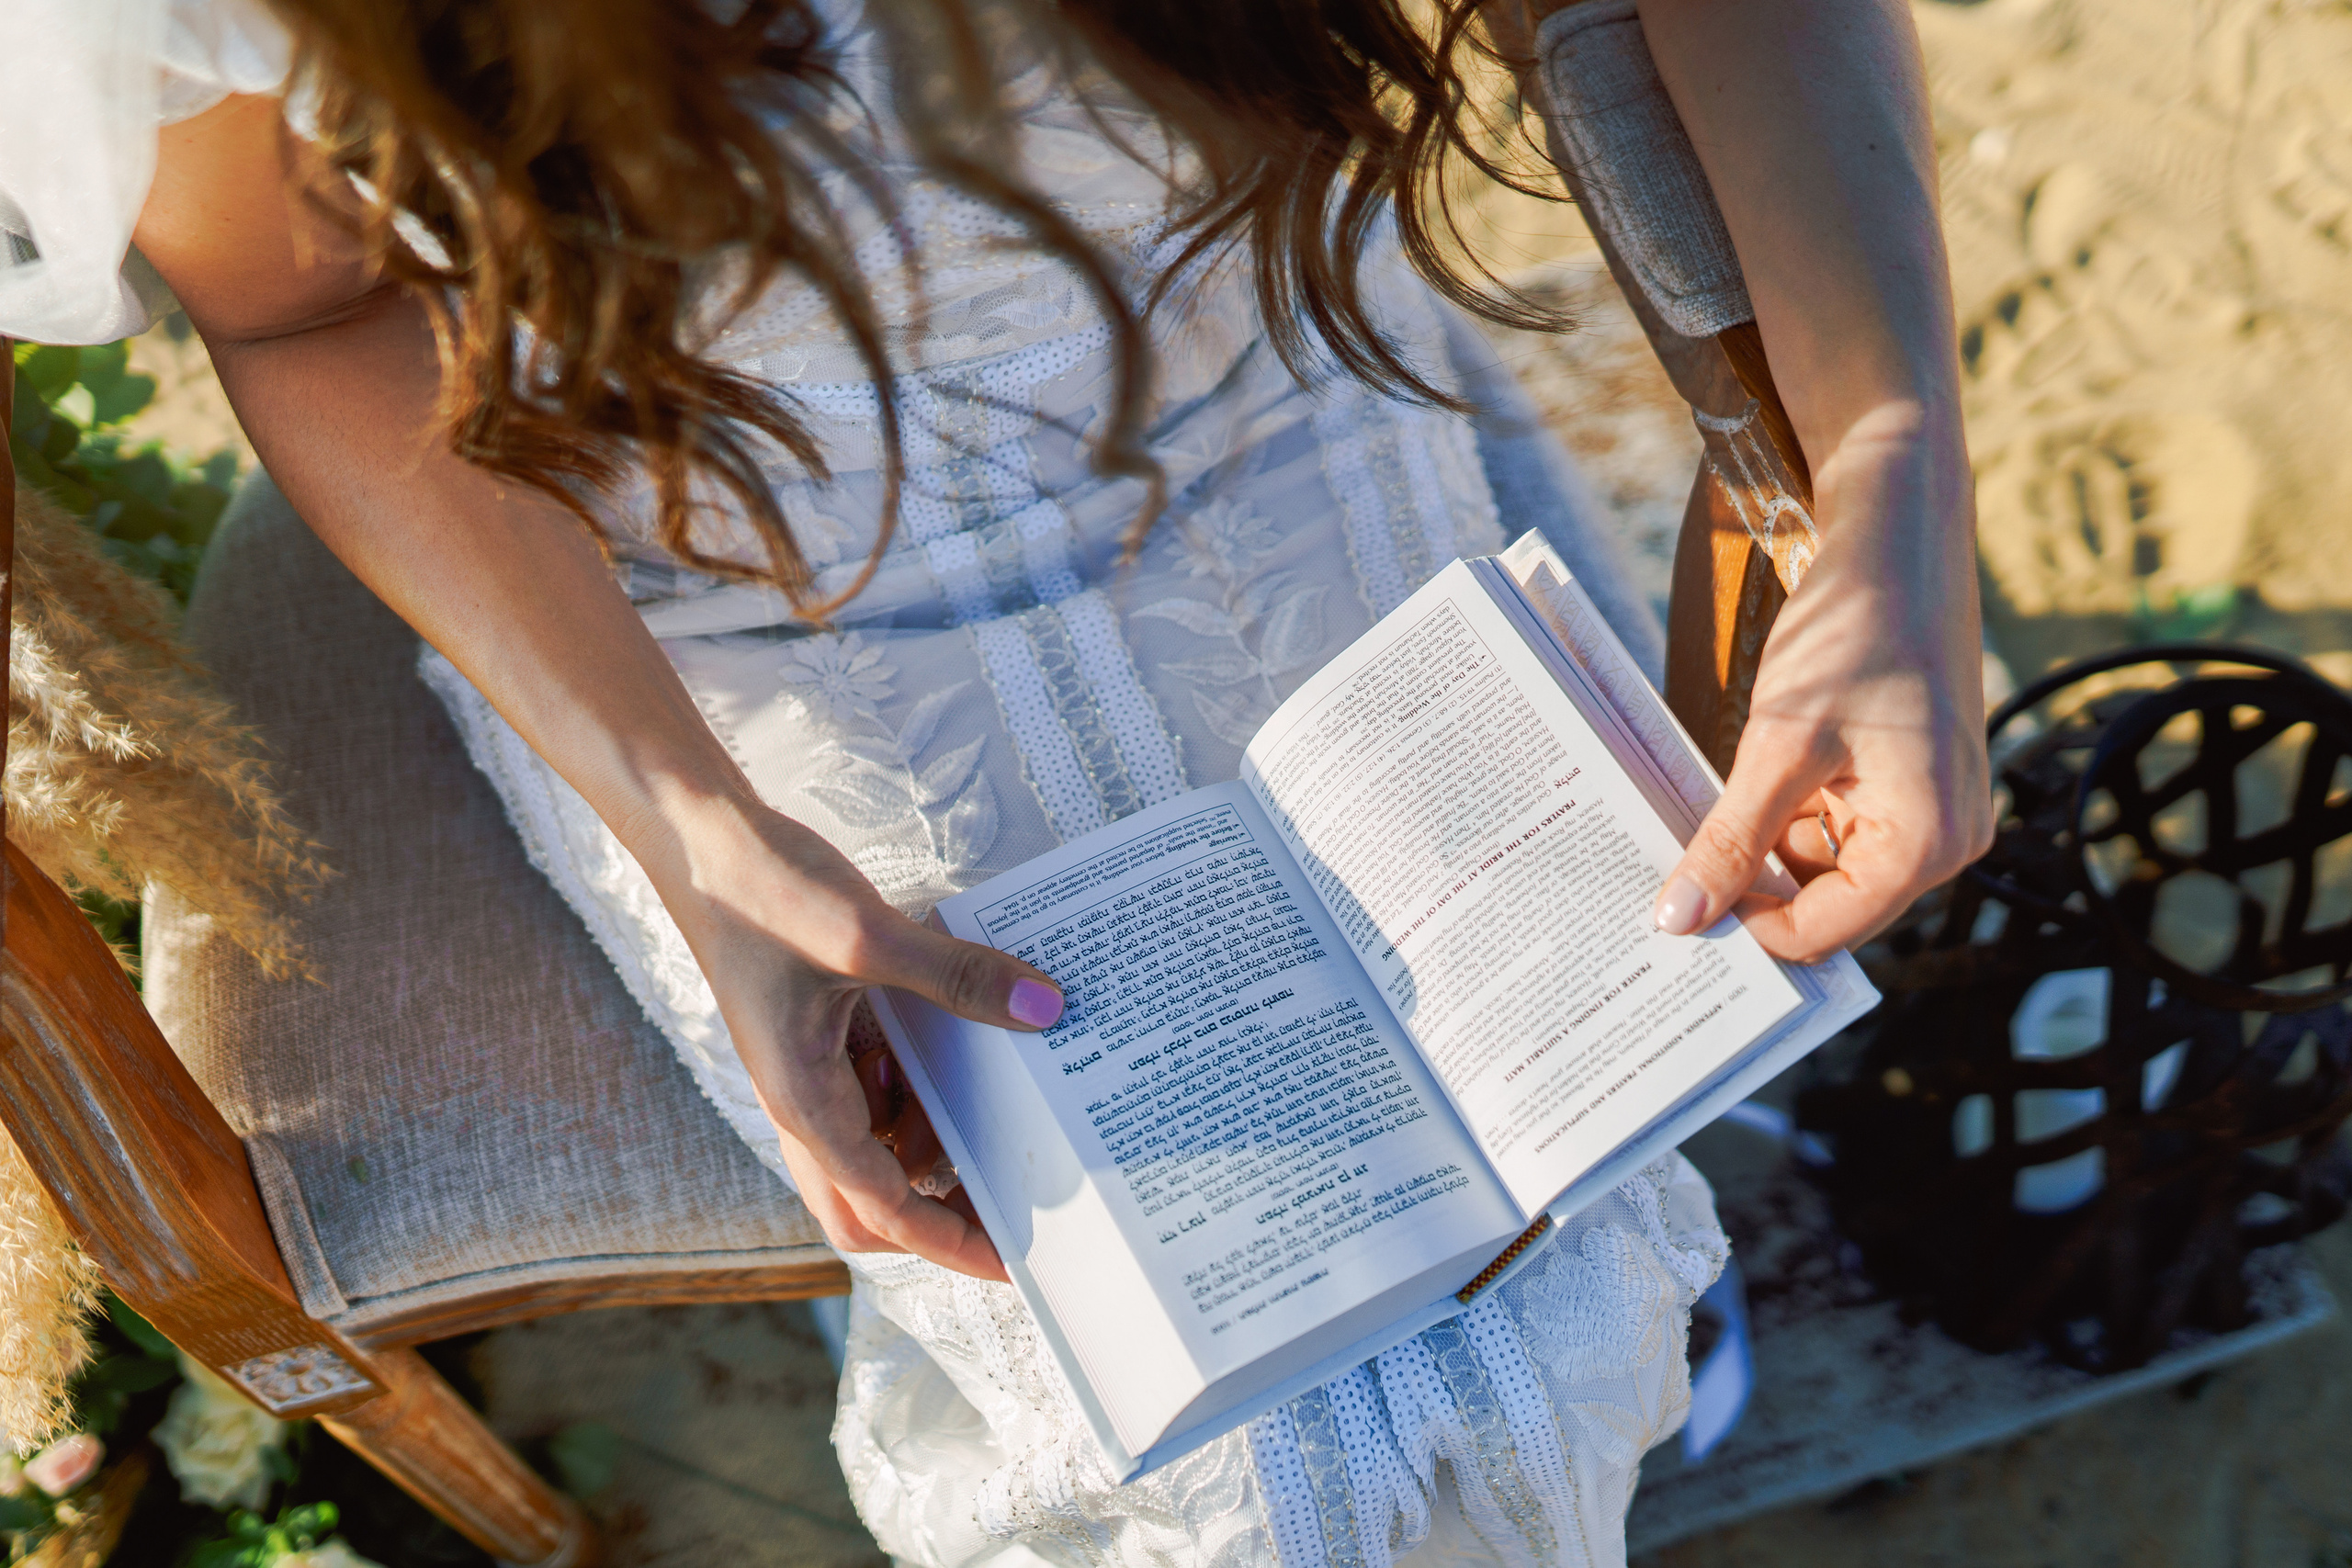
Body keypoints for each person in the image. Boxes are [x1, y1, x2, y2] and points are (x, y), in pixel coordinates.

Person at [0, 0, 1989, 1562]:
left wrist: (1889, 474)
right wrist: (694, 832)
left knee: (1520, 1285)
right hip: (685, 567)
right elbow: (312, 298)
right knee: (1236, 1468)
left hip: (1264, 373)